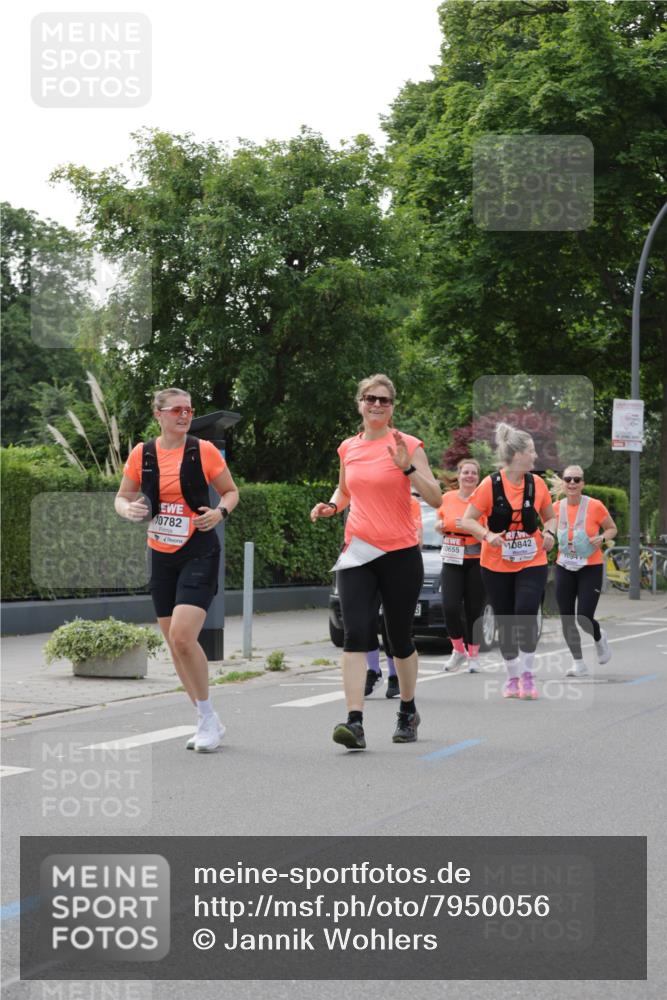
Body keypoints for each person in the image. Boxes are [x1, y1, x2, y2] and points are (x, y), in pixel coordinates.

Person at [310, 374, 442, 749]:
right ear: (360, 403)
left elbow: (436, 499)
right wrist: (333, 505)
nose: (377, 405)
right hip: (358, 552)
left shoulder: (409, 445)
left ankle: (407, 710)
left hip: (400, 553)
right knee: (355, 632)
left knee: (398, 636)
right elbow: (346, 488)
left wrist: (408, 468)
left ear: (392, 406)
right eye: (371, 399)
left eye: (384, 400)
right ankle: (354, 722)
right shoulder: (347, 448)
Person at [115, 388, 239, 752]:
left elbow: (231, 492)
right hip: (161, 553)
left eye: (188, 410)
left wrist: (220, 513)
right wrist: (128, 510)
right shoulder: (143, 453)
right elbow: (122, 496)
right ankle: (208, 719)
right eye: (177, 410)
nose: (184, 416)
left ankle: (205, 718)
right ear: (159, 415)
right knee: (174, 644)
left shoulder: (203, 451)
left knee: (184, 637)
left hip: (199, 550)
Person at [459, 423, 556, 700]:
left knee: (525, 611)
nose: (536, 457)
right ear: (517, 455)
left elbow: (549, 516)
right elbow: (467, 520)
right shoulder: (490, 485)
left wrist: (549, 532)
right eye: (532, 451)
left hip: (532, 559)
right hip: (495, 563)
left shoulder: (536, 484)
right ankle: (512, 677)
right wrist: (487, 535)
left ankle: (527, 675)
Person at [551, 466, 617, 676]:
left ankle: (599, 637)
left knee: (584, 618)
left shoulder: (595, 506)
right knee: (567, 618)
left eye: (576, 479)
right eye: (568, 479)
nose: (572, 483)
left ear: (582, 483)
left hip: (590, 567)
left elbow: (612, 528)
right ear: (563, 482)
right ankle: (578, 663)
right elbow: (547, 530)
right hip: (564, 566)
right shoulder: (554, 508)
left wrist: (603, 537)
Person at [365, 496, 423, 699]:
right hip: (366, 562)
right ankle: (373, 670)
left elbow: (417, 537)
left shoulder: (410, 503)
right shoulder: (367, 497)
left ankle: (394, 675)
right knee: (363, 621)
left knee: (391, 626)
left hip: (396, 565)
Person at [435, 458, 486, 674]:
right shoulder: (447, 498)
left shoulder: (483, 501)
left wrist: (467, 526)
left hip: (476, 559)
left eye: (474, 473)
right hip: (452, 557)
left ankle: (473, 656)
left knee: (474, 609)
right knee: (449, 606)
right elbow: (440, 523)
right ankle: (458, 650)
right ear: (459, 474)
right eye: (466, 472)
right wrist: (440, 526)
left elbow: (486, 530)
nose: (469, 476)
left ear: (478, 477)